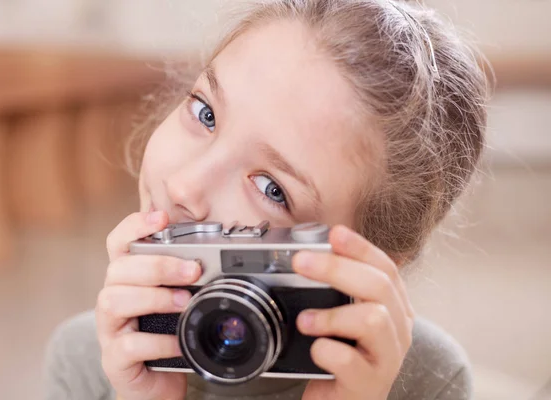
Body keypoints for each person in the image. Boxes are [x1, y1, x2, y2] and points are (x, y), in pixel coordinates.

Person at [43, 0, 490, 399]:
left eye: (273, 190)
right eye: (205, 112)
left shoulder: (429, 381)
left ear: (377, 261)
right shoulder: (87, 361)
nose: (184, 186)